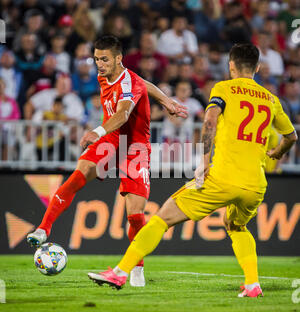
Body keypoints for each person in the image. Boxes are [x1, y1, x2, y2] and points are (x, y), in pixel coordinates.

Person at [89, 43, 298, 298]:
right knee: (236, 226)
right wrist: (277, 152)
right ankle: (253, 285)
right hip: (255, 184)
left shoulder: (224, 88)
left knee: (161, 218)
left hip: (221, 177)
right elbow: (291, 136)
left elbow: (210, 120)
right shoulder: (272, 100)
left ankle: (120, 272)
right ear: (257, 68)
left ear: (231, 65)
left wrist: (204, 160)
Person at [27, 35, 187, 288]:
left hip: (134, 147)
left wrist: (97, 131)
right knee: (78, 176)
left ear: (118, 59)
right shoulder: (107, 75)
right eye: (96, 59)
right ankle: (43, 229)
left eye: (104, 59)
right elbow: (146, 82)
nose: (99, 64)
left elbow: (123, 114)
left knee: (135, 215)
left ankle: (137, 268)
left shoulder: (129, 83)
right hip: (110, 141)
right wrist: (166, 100)